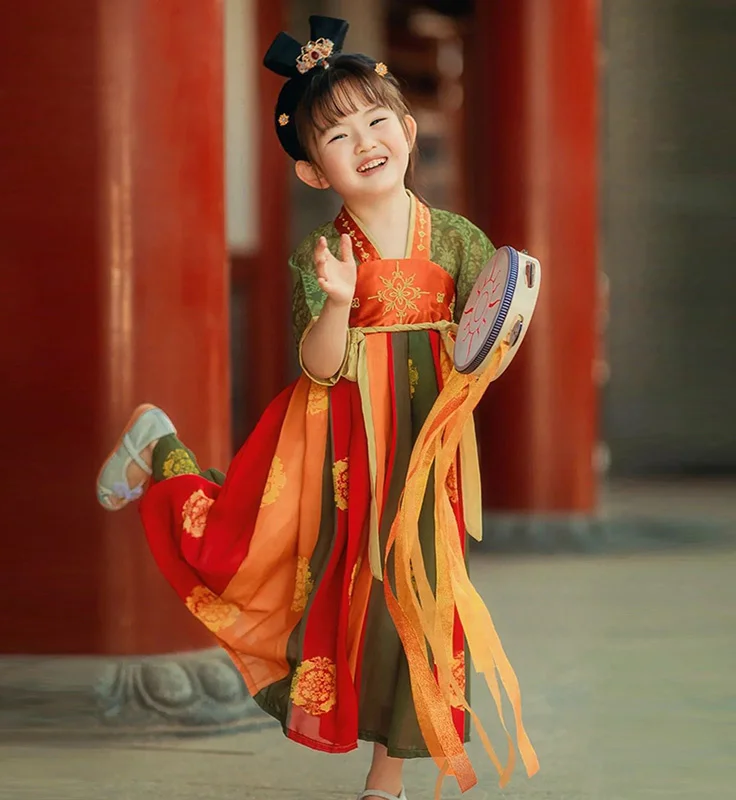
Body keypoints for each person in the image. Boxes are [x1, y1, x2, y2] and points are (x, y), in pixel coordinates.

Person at [96, 16, 537, 800]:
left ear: (405, 128)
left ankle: (386, 778)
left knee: (423, 590)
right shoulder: (323, 257)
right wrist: (338, 303)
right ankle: (165, 455)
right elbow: (320, 367)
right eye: (336, 136)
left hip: (426, 456)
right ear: (311, 172)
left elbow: (488, 343)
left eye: (376, 120)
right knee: (256, 550)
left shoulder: (460, 240)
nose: (364, 140)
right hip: (341, 455)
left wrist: (493, 348)